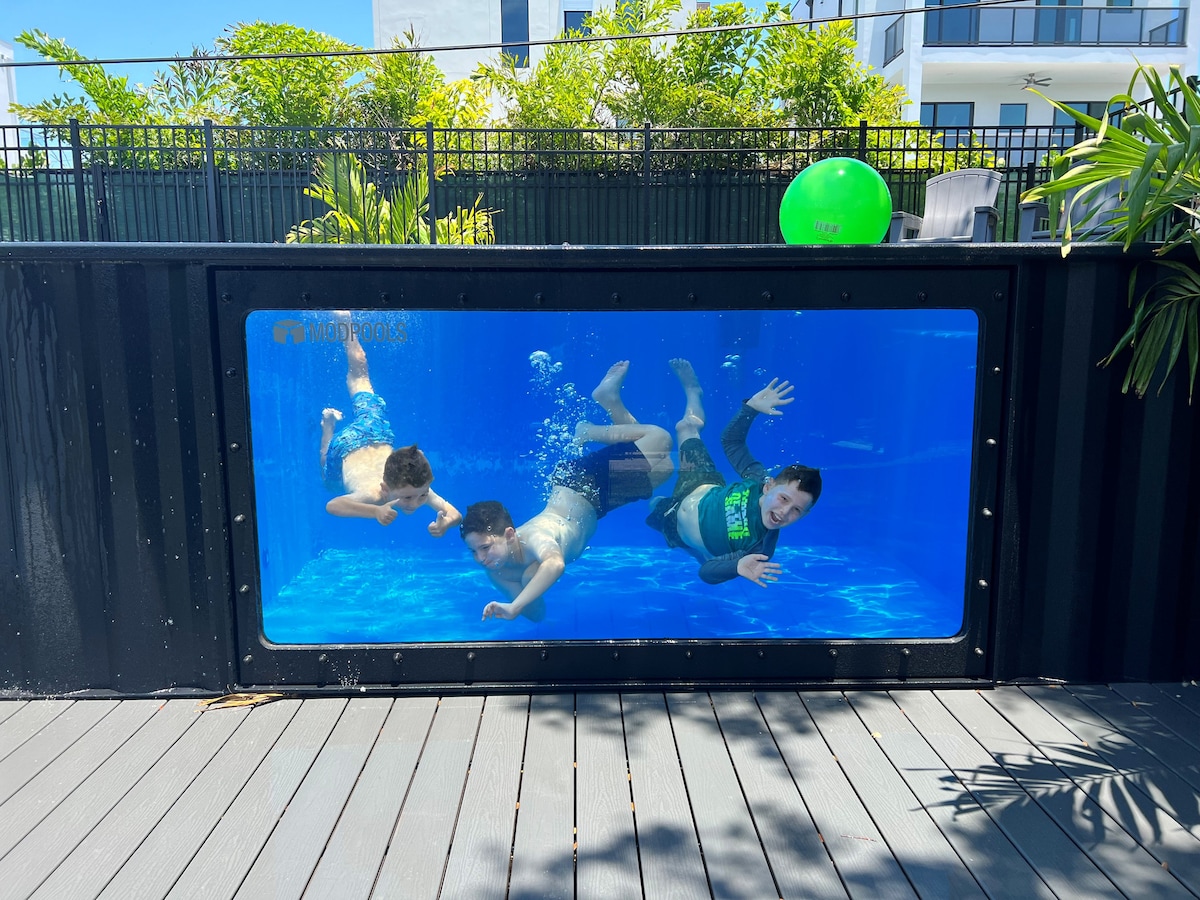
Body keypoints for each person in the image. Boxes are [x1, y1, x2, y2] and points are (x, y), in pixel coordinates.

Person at [461, 361, 674, 621]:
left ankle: (588, 430)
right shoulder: (497, 572)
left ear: (509, 534)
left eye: (484, 547)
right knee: (666, 469)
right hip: (597, 504)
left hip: (579, 482)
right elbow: (537, 614)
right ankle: (611, 401)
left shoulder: (535, 536)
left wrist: (515, 604)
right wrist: (526, 592)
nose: (480, 558)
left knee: (661, 440)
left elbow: (555, 564)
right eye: (474, 552)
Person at [645, 359, 822, 586]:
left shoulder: (760, 549)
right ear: (769, 486)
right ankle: (693, 390)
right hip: (700, 482)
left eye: (797, 510)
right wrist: (750, 410)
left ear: (804, 515)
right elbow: (732, 441)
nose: (784, 511)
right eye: (784, 498)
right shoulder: (757, 478)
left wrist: (736, 567)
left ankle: (690, 538)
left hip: (676, 528)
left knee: (654, 504)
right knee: (686, 427)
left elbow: (707, 573)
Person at [319, 314, 461, 536]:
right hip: (349, 444)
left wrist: (446, 523)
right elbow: (333, 505)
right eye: (406, 498)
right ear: (386, 489)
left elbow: (455, 514)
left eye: (422, 496)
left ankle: (347, 325)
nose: (415, 503)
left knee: (361, 377)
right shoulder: (374, 494)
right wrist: (374, 512)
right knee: (328, 478)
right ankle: (327, 427)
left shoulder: (416, 488)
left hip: (374, 430)